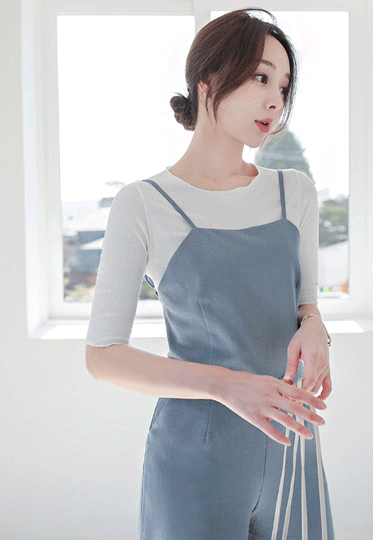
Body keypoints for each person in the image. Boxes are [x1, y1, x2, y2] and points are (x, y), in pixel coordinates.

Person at [85, 7, 335, 539]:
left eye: (284, 87)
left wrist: (315, 326)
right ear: (209, 80)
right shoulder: (145, 203)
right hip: (195, 461)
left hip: (292, 451)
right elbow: (102, 356)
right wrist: (226, 385)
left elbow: (305, 304)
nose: (276, 100)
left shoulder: (294, 192)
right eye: (261, 77)